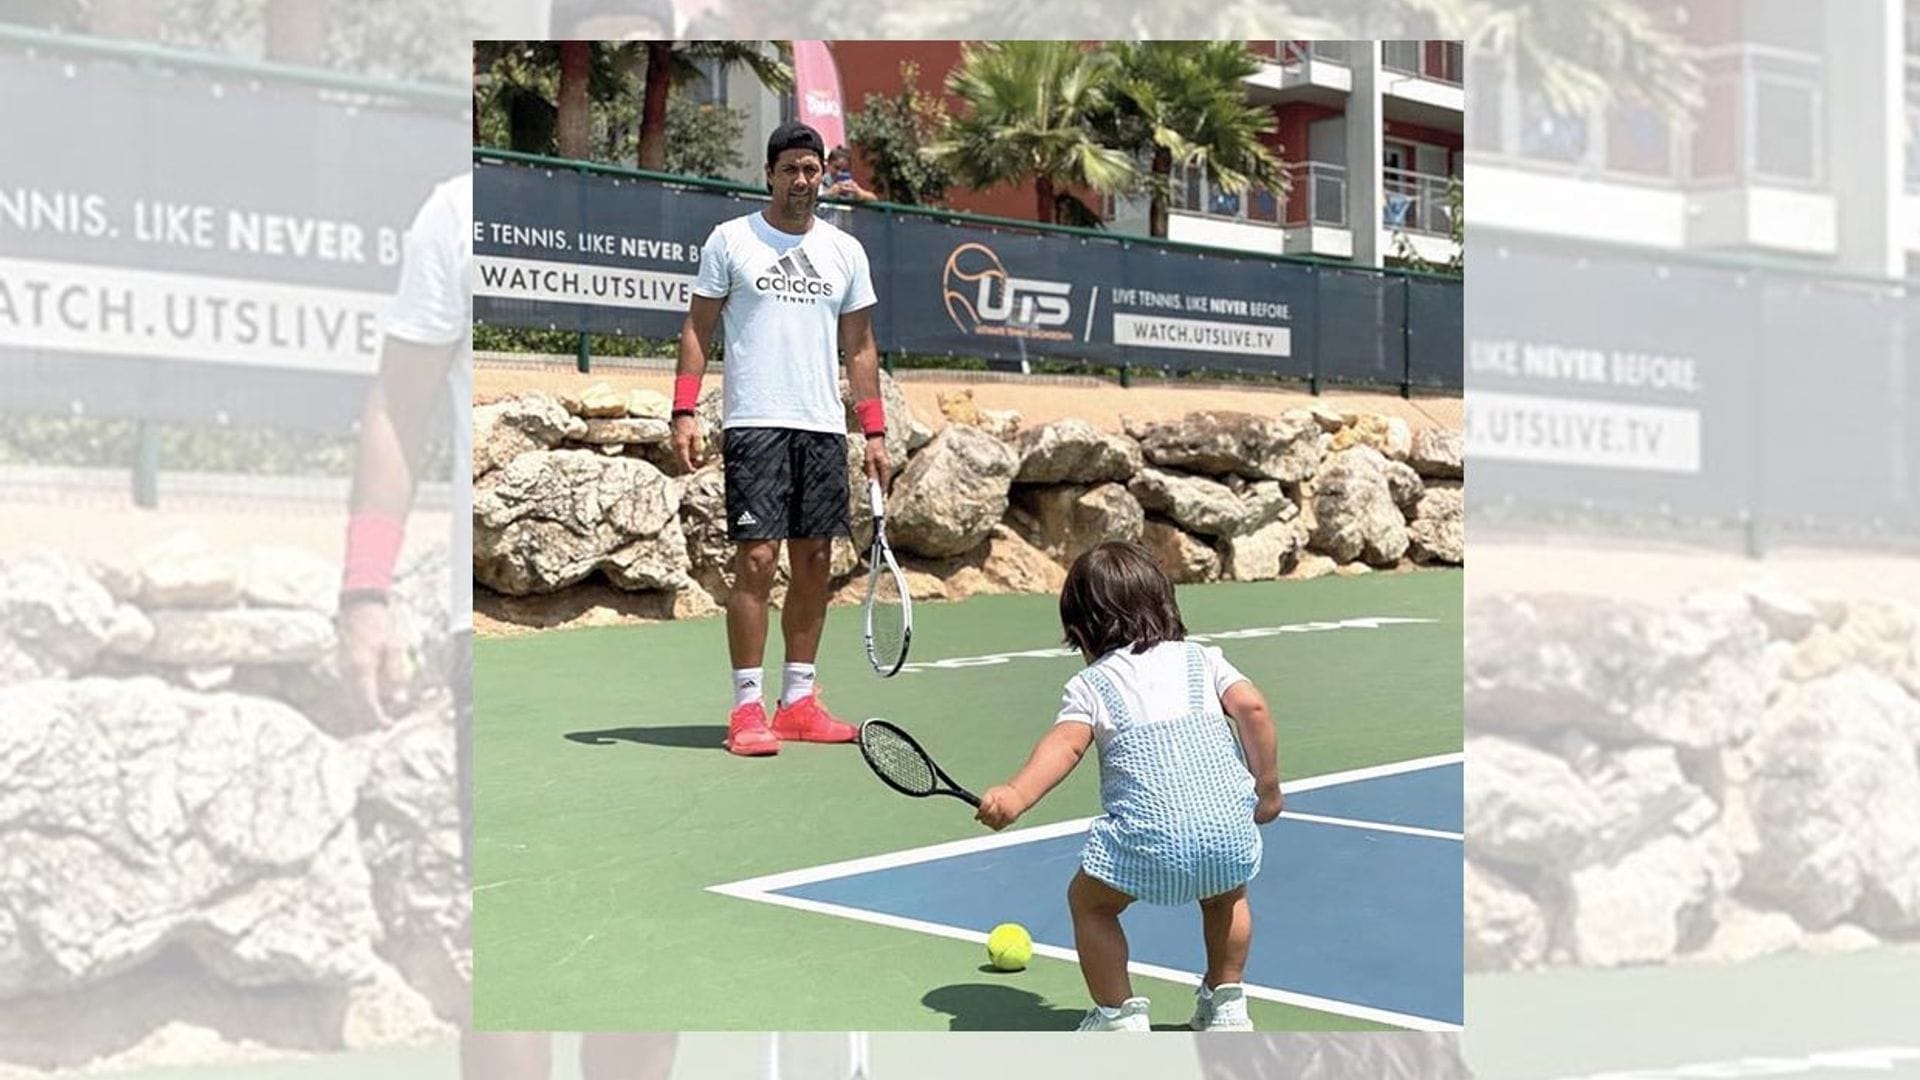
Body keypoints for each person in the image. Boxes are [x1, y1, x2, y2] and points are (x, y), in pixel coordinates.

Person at [337, 174, 679, 1079]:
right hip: (494, 645)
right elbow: (395, 408)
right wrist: (365, 593)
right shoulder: (455, 210)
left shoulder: (703, 227)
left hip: (656, 642)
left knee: (644, 948)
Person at [974, 541, 1284, 1033]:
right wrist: (1266, 790)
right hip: (1227, 826)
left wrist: (1016, 795)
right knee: (1227, 897)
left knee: (1091, 904)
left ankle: (1119, 1016)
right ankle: (1226, 1006)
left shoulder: (1093, 684)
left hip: (1148, 837)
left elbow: (1066, 745)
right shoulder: (1203, 660)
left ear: (1081, 629)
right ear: (1164, 603)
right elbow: (1254, 709)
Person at [671, 120, 890, 757]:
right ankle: (747, 708)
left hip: (822, 427)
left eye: (812, 169)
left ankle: (798, 701)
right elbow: (696, 330)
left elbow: (861, 346)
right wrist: (684, 412)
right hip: (755, 425)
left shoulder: (846, 252)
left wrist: (873, 431)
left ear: (824, 175)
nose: (802, 180)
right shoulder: (731, 240)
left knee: (815, 563)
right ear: (769, 174)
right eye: (791, 169)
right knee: (757, 562)